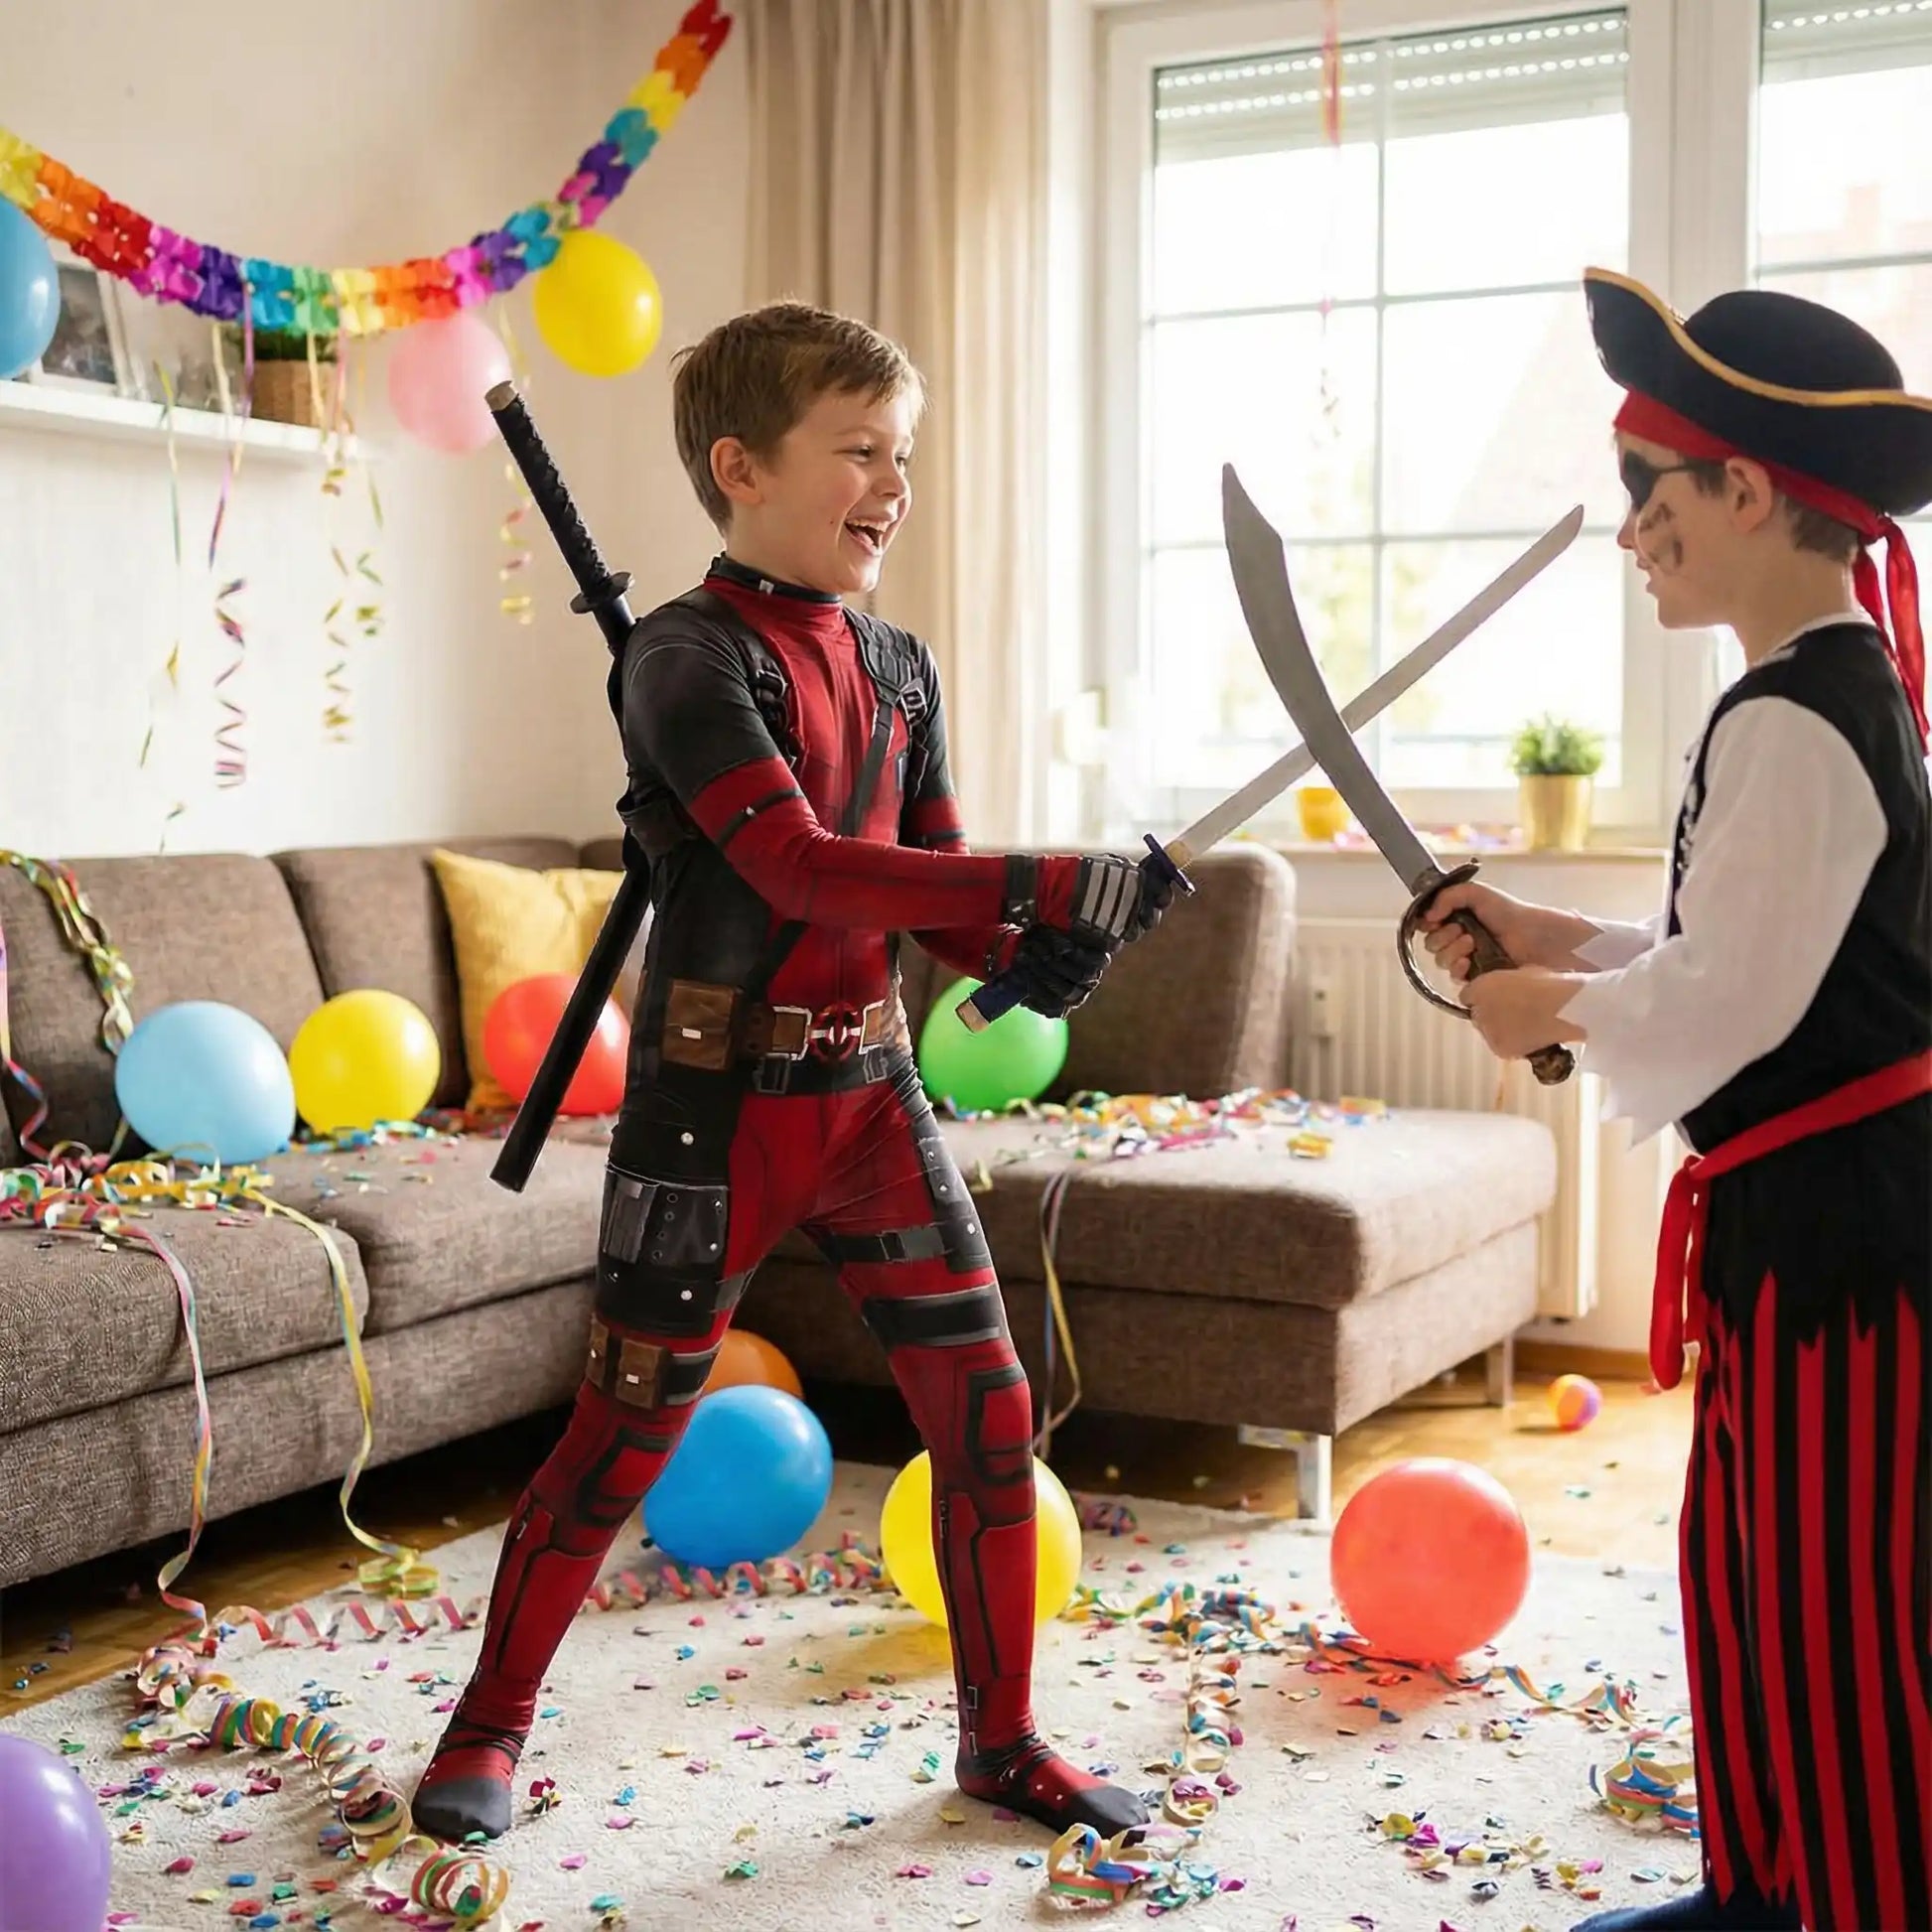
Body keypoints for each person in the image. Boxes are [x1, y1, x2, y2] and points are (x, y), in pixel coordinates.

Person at [411, 301, 1173, 1846]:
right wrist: (1043, 879)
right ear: (740, 468)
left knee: (987, 1419)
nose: (893, 484)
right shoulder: (678, 658)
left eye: (902, 454)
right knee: (622, 1433)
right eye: (859, 451)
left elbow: (931, 889)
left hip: (871, 1101)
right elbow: (803, 867)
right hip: (712, 1115)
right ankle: (484, 1727)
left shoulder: (899, 663)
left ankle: (1003, 1740)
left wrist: (1034, 948)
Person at [1425, 267, 1930, 1932]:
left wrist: (1544, 1006)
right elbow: (1736, 951)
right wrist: (1550, 939)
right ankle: (1769, 1877)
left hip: (1846, 1234)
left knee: (1836, 1587)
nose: (1632, 530)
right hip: (1807, 1209)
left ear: (1745, 489)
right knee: (1752, 1562)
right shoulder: (1807, 692)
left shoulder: (1798, 714)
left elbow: (1728, 997)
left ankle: (1853, 1899)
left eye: (1652, 491)